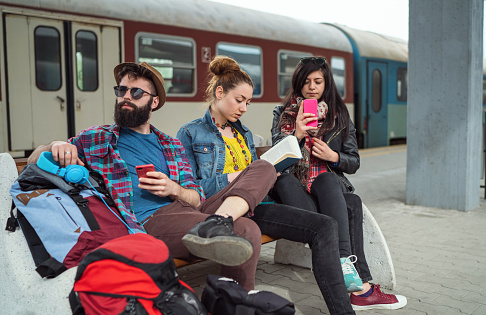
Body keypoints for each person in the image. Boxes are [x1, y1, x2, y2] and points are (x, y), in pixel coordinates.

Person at [27, 61, 276, 290]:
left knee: (265, 168)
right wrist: (56, 145)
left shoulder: (171, 145)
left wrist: (173, 189)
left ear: (154, 102)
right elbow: (34, 159)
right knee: (246, 230)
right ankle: (233, 300)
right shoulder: (97, 137)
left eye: (136, 93)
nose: (126, 97)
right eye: (122, 90)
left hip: (191, 212)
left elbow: (197, 197)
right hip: (147, 221)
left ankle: (217, 228)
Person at [178, 55, 360, 315]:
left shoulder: (244, 134)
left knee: (326, 225)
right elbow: (190, 189)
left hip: (256, 204)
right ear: (219, 93)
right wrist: (237, 177)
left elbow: (263, 175)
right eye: (239, 100)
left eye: (248, 102)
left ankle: (345, 306)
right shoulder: (191, 133)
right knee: (332, 215)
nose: (244, 108)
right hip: (220, 208)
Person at [270, 56, 407, 311]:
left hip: (326, 188)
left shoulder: (339, 115)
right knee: (349, 204)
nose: (312, 87)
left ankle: (352, 273)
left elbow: (353, 161)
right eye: (307, 81)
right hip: (295, 188)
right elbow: (276, 161)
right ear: (298, 84)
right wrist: (297, 135)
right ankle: (360, 285)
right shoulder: (284, 112)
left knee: (330, 182)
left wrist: (333, 157)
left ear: (326, 84)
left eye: (318, 81)